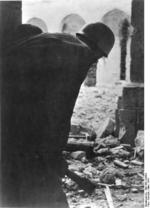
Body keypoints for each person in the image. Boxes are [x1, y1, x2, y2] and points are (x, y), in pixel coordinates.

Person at [3, 23, 115, 207]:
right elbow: (58, 112)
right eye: (99, 58)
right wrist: (53, 156)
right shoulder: (78, 54)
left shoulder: (59, 41)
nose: (94, 63)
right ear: (95, 49)